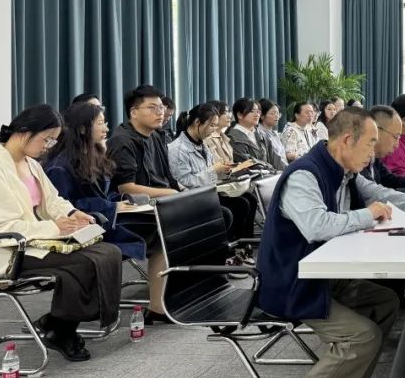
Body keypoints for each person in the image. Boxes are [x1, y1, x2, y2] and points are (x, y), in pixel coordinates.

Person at [257, 107, 405, 378]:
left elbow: (386, 195)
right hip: (291, 282)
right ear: (347, 140)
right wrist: (367, 215)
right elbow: (317, 225)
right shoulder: (305, 175)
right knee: (362, 336)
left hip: (323, 275)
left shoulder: (344, 173)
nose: (374, 152)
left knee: (384, 302)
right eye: (370, 143)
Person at [0, 105, 121, 362]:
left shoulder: (31, 164)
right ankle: (61, 328)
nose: (48, 146)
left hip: (33, 241)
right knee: (84, 262)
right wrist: (55, 228)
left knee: (109, 251)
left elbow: (53, 201)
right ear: (24, 133)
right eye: (46, 139)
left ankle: (58, 323)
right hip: (8, 251)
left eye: (52, 141)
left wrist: (72, 213)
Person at [106, 85, 181, 322]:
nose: (160, 113)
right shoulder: (122, 141)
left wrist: (180, 192)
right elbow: (126, 188)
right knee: (170, 229)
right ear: (134, 112)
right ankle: (158, 307)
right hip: (131, 213)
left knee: (214, 214)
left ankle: (184, 291)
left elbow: (167, 176)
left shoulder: (157, 136)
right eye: (152, 108)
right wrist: (170, 193)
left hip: (158, 205)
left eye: (161, 107)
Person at [44, 102, 147, 262]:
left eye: (105, 123)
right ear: (82, 129)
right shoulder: (59, 167)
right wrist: (110, 206)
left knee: (159, 226)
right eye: (100, 123)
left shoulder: (94, 155)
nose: (106, 129)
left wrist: (120, 201)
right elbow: (64, 207)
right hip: (90, 226)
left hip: (106, 218)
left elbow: (103, 193)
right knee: (155, 231)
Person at [168, 104, 258, 241]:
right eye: (212, 125)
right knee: (238, 206)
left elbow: (211, 173)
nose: (214, 130)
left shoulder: (202, 144)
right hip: (192, 199)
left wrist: (224, 171)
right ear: (197, 122)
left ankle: (243, 245)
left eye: (216, 126)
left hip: (208, 193)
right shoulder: (178, 149)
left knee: (248, 199)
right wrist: (214, 171)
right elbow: (182, 182)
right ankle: (229, 246)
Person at [227, 98, 283, 170]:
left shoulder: (262, 135)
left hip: (268, 174)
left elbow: (275, 159)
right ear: (239, 115)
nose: (257, 115)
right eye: (252, 111)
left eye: (258, 111)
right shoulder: (233, 138)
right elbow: (247, 163)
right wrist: (269, 168)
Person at [258, 98, 289, 170]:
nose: (277, 116)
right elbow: (275, 159)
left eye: (278, 113)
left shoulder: (274, 133)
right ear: (262, 116)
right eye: (272, 113)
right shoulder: (260, 133)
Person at [204, 99, 235, 165]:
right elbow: (216, 164)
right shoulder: (207, 138)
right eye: (225, 113)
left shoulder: (224, 137)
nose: (229, 116)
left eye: (228, 112)